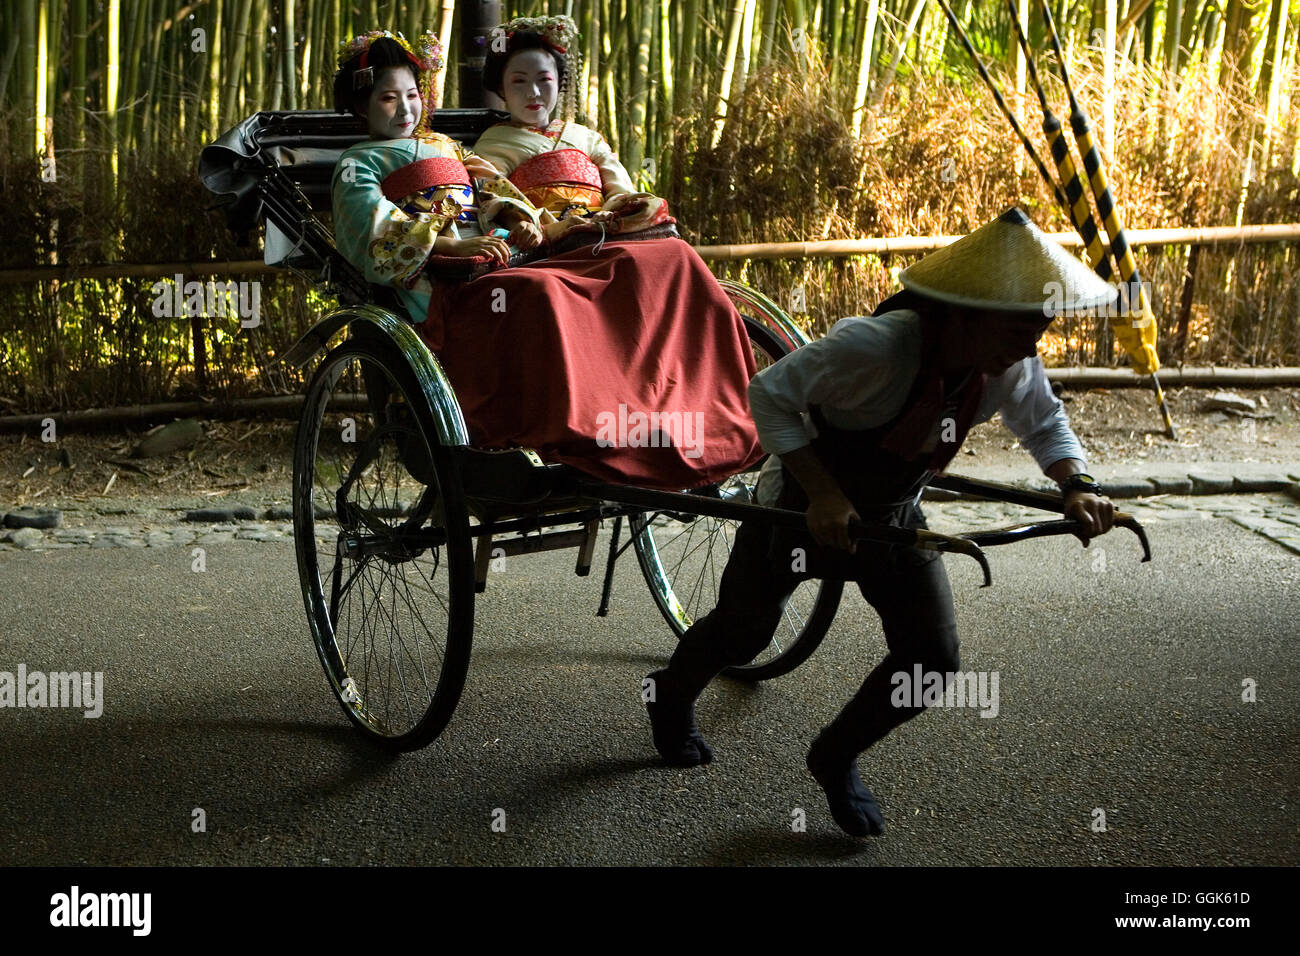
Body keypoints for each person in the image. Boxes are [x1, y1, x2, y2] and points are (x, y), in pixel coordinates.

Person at [643, 208, 1118, 837]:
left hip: (894, 516)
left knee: (933, 659)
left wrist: (1077, 485)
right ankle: (670, 696)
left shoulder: (1007, 365)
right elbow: (769, 394)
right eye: (1022, 328)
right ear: (961, 313)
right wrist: (822, 493)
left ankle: (835, 755)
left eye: (1042, 328)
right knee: (744, 632)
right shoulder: (878, 346)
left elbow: (1045, 423)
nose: (1033, 345)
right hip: (795, 508)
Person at [330, 29, 764, 491]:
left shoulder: (448, 147)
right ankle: (573, 429)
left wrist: (519, 218)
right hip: (438, 284)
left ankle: (650, 411)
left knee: (566, 282)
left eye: (413, 95)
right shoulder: (358, 164)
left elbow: (494, 189)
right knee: (543, 293)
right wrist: (447, 246)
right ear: (362, 105)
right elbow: (369, 229)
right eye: (388, 99)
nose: (406, 109)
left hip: (499, 257)